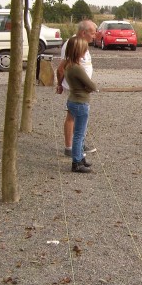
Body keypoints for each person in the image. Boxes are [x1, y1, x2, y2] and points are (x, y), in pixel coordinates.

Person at [56, 20, 98, 156]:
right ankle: (70, 148)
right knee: (72, 117)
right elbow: (61, 68)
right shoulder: (72, 44)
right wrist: (59, 84)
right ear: (83, 32)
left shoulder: (82, 44)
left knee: (77, 118)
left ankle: (78, 144)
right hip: (75, 88)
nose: (95, 36)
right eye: (92, 33)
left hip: (81, 88)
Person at [63, 37, 98, 173]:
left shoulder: (68, 65)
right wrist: (90, 88)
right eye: (84, 50)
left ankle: (80, 158)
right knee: (79, 134)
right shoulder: (77, 68)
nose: (86, 52)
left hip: (73, 100)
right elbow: (91, 85)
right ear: (78, 51)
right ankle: (76, 162)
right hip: (80, 102)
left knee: (80, 133)